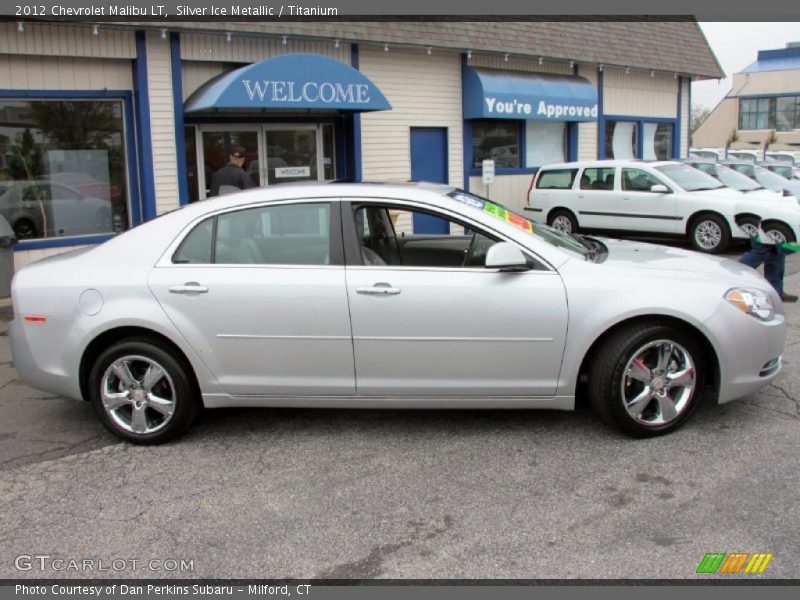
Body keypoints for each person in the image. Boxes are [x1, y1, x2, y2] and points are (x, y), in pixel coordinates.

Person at [738, 219, 798, 302]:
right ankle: (733, 274)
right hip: (764, 220)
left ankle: (775, 293)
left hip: (779, 224)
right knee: (760, 251)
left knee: (776, 253)